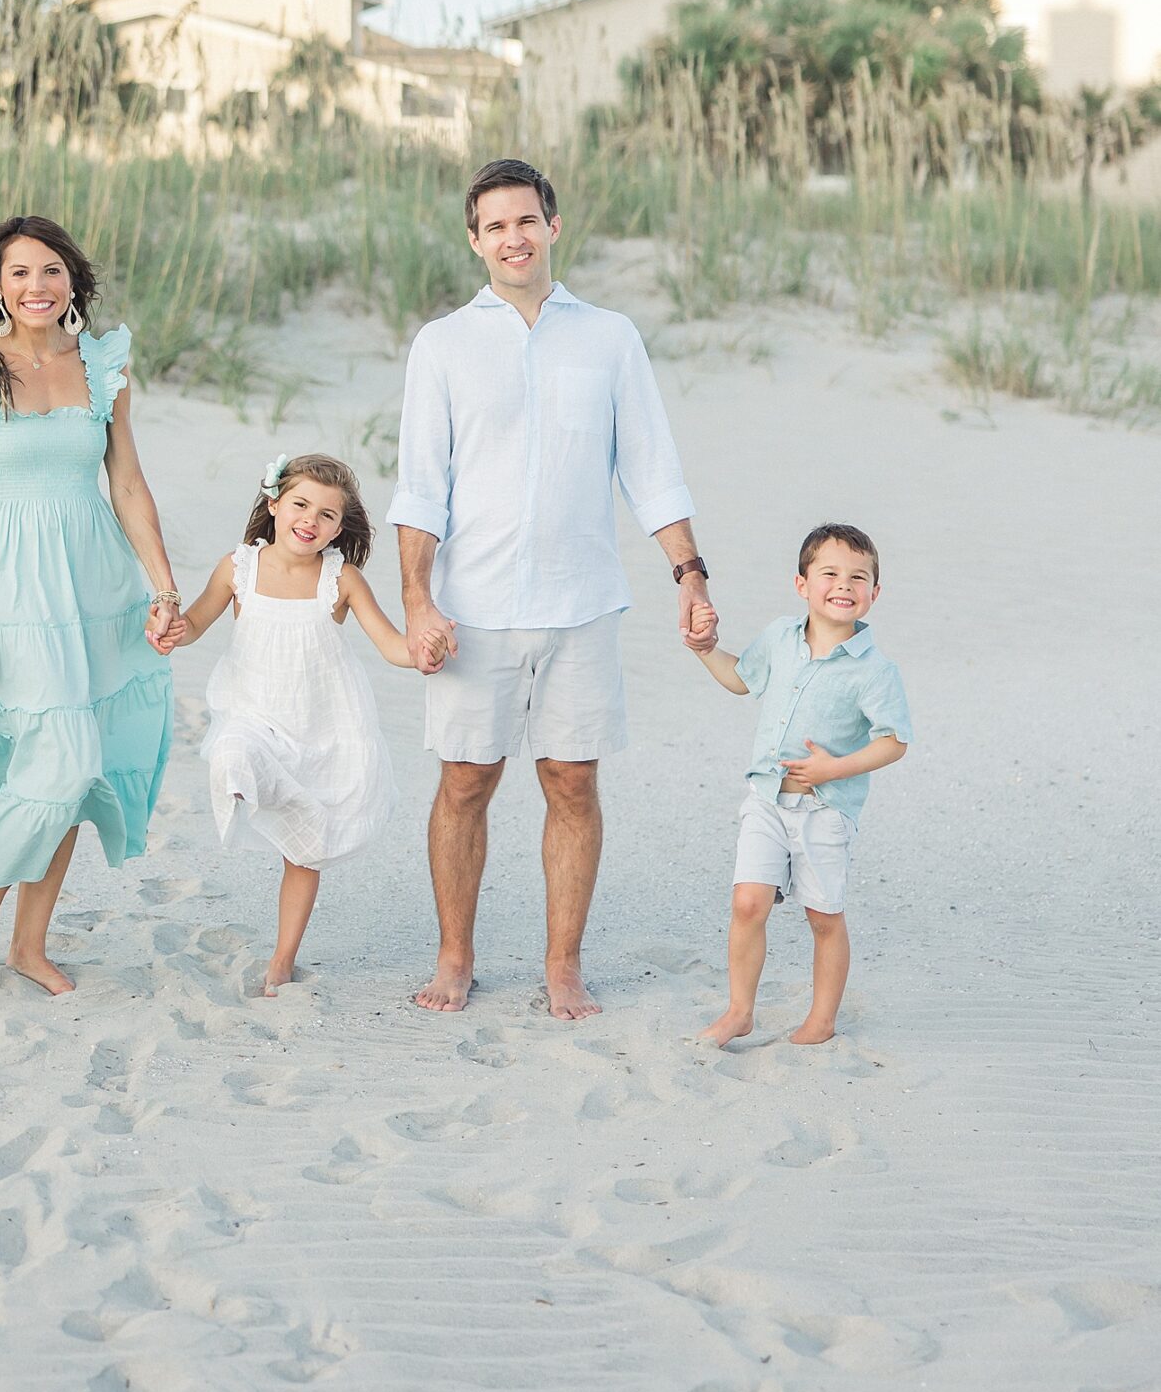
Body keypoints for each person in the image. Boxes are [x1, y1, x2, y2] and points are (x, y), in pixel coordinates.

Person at [390, 156, 715, 1020]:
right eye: (494, 225)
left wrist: (688, 573)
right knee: (466, 781)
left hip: (579, 604)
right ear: (474, 242)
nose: (512, 237)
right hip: (472, 607)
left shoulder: (609, 337)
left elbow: (650, 469)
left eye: (525, 220)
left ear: (552, 226)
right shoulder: (443, 344)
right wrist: (418, 600)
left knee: (571, 780)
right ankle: (454, 956)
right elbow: (419, 487)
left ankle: (561, 964)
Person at [0, 215, 182, 999]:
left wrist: (163, 587)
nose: (35, 287)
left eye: (50, 272)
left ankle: (29, 945)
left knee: (78, 769)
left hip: (95, 579)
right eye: (18, 274)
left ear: (73, 281)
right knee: (58, 756)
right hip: (9, 585)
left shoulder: (103, 366)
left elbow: (128, 485)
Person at [163, 452, 419, 994]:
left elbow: (392, 645)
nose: (312, 520)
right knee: (232, 751)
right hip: (255, 715)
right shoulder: (239, 568)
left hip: (324, 727)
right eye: (301, 504)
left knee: (305, 851)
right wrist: (168, 627)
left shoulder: (340, 578)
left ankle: (282, 959)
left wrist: (422, 650)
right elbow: (194, 625)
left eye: (328, 515)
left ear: (339, 527)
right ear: (274, 504)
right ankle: (243, 790)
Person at [686, 521, 910, 1047]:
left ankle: (822, 1018)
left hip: (826, 809)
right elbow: (742, 679)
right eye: (829, 573)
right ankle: (740, 1011)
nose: (844, 585)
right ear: (802, 584)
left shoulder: (875, 670)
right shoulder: (780, 638)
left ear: (874, 594)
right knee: (747, 903)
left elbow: (894, 741)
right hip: (766, 797)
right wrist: (703, 650)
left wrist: (835, 768)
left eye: (859, 578)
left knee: (823, 915)